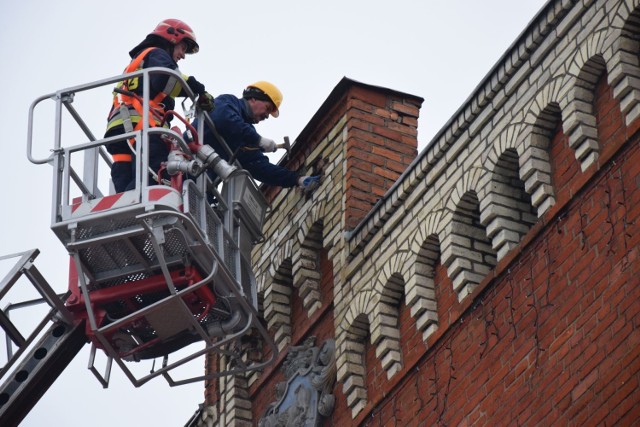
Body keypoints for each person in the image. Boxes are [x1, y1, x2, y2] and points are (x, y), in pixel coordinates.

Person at [105, 19, 214, 193]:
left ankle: (122, 213)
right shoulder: (157, 54)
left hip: (119, 129)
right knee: (150, 178)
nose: (183, 55)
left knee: (125, 183)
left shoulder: (135, 64)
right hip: (143, 128)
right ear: (172, 38)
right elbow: (166, 78)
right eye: (183, 48)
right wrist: (197, 89)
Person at [190, 81, 320, 191]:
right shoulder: (229, 101)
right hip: (186, 159)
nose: (267, 116)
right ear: (253, 98)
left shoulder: (247, 135)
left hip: (201, 181)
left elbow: (260, 167)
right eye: (267, 108)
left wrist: (297, 179)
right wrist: (258, 140)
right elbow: (224, 120)